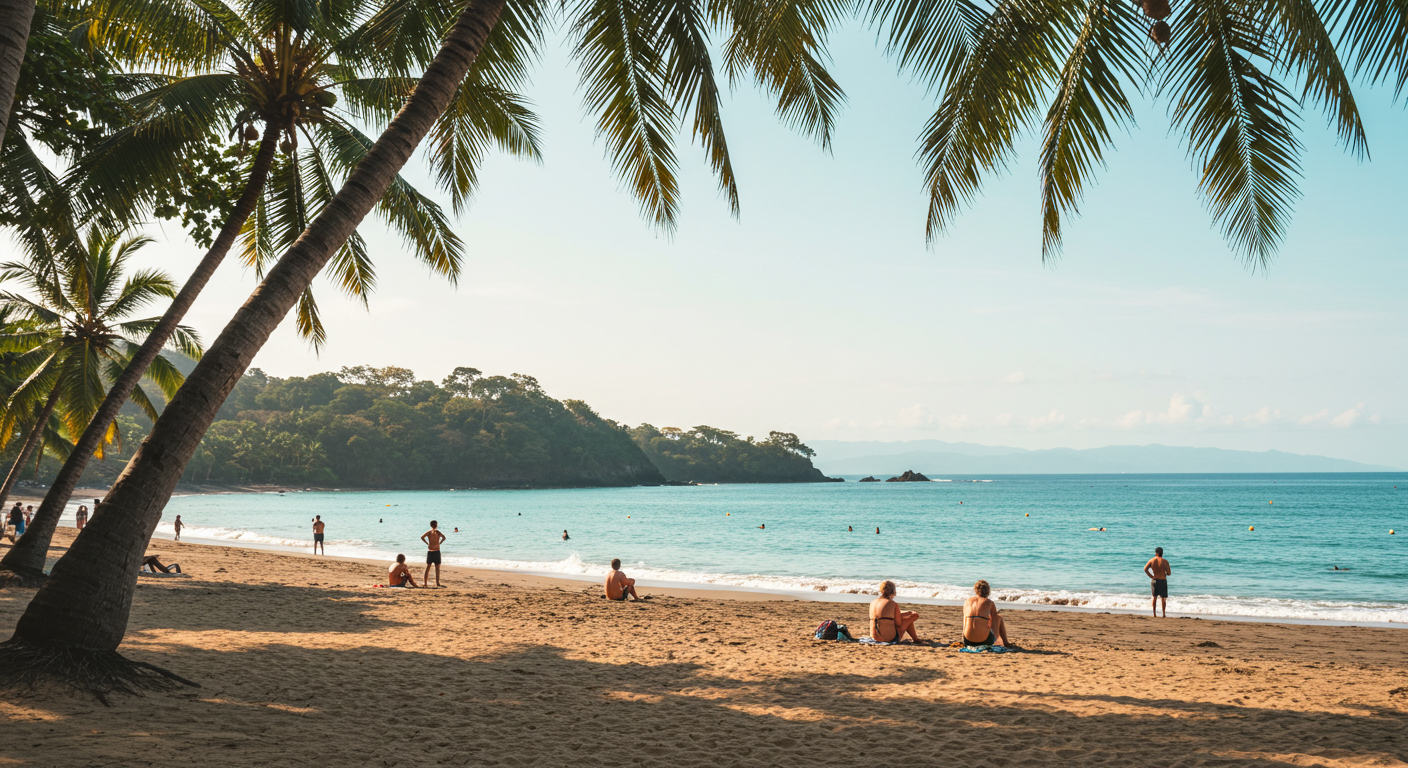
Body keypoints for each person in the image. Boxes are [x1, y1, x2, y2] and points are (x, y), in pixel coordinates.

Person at [963, 580, 1011, 647]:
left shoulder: (967, 602)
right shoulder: (989, 602)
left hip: (967, 640)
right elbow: (995, 619)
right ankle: (1005, 642)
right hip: (984, 641)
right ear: (988, 591)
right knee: (998, 617)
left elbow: (965, 623)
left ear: (975, 590)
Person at [1144, 546, 1172, 617]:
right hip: (1163, 580)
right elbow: (1169, 573)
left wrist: (1151, 576)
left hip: (1155, 580)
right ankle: (1163, 614)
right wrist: (1164, 573)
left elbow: (1145, 569)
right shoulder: (1165, 561)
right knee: (1163, 599)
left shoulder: (1152, 560)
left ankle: (1154, 614)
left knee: (1154, 598)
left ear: (1156, 553)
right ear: (1162, 553)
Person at [421, 520, 445, 587]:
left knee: (428, 568)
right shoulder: (437, 532)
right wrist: (439, 543)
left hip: (430, 551)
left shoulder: (429, 532)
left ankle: (425, 583)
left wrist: (427, 543)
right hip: (436, 551)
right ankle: (437, 583)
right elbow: (444, 537)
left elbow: (422, 537)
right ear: (436, 525)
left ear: (431, 525)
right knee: (437, 568)